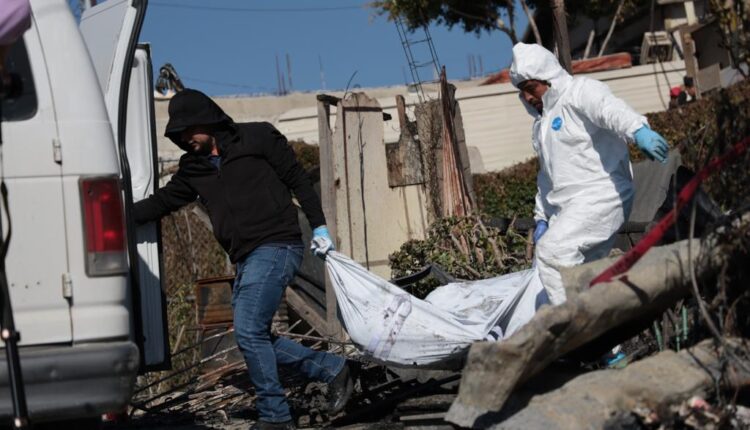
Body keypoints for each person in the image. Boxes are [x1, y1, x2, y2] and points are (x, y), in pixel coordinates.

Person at [134, 89, 353, 430]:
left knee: (249, 331)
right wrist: (113, 213)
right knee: (254, 336)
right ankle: (331, 368)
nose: (184, 139)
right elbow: (161, 203)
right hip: (246, 258)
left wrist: (319, 226)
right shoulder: (193, 169)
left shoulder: (258, 137)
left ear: (206, 120)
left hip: (279, 244)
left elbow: (297, 179)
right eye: (178, 135)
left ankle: (275, 417)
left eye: (188, 130)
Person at [509, 43, 669, 305]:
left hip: (602, 194)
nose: (527, 97)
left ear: (548, 78)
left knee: (551, 253)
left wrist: (638, 130)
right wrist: (542, 217)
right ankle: (608, 344)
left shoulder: (579, 92)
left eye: (530, 88)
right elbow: (547, 177)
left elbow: (609, 109)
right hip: (570, 209)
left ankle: (580, 332)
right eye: (521, 92)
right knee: (579, 280)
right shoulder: (541, 126)